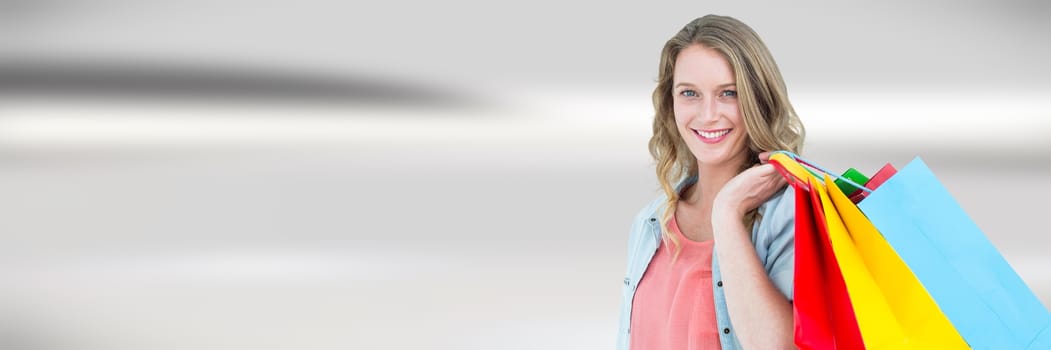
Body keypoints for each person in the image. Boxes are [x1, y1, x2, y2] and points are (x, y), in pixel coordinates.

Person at [617, 14, 806, 350]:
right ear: (670, 102)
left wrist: (728, 213)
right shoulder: (650, 222)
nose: (707, 114)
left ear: (757, 99)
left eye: (728, 93)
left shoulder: (791, 216)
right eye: (689, 93)